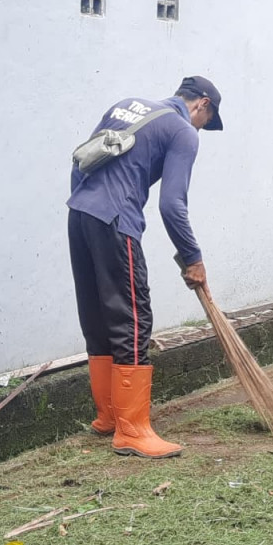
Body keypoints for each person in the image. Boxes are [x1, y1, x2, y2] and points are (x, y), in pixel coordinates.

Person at [67, 76, 224, 459]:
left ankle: (108, 417)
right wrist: (193, 258)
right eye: (207, 119)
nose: (202, 127)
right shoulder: (183, 131)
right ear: (202, 104)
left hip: (80, 214)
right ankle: (133, 430)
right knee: (133, 319)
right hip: (116, 222)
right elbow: (172, 204)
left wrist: (87, 205)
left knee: (97, 316)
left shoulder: (127, 105)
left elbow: (81, 160)